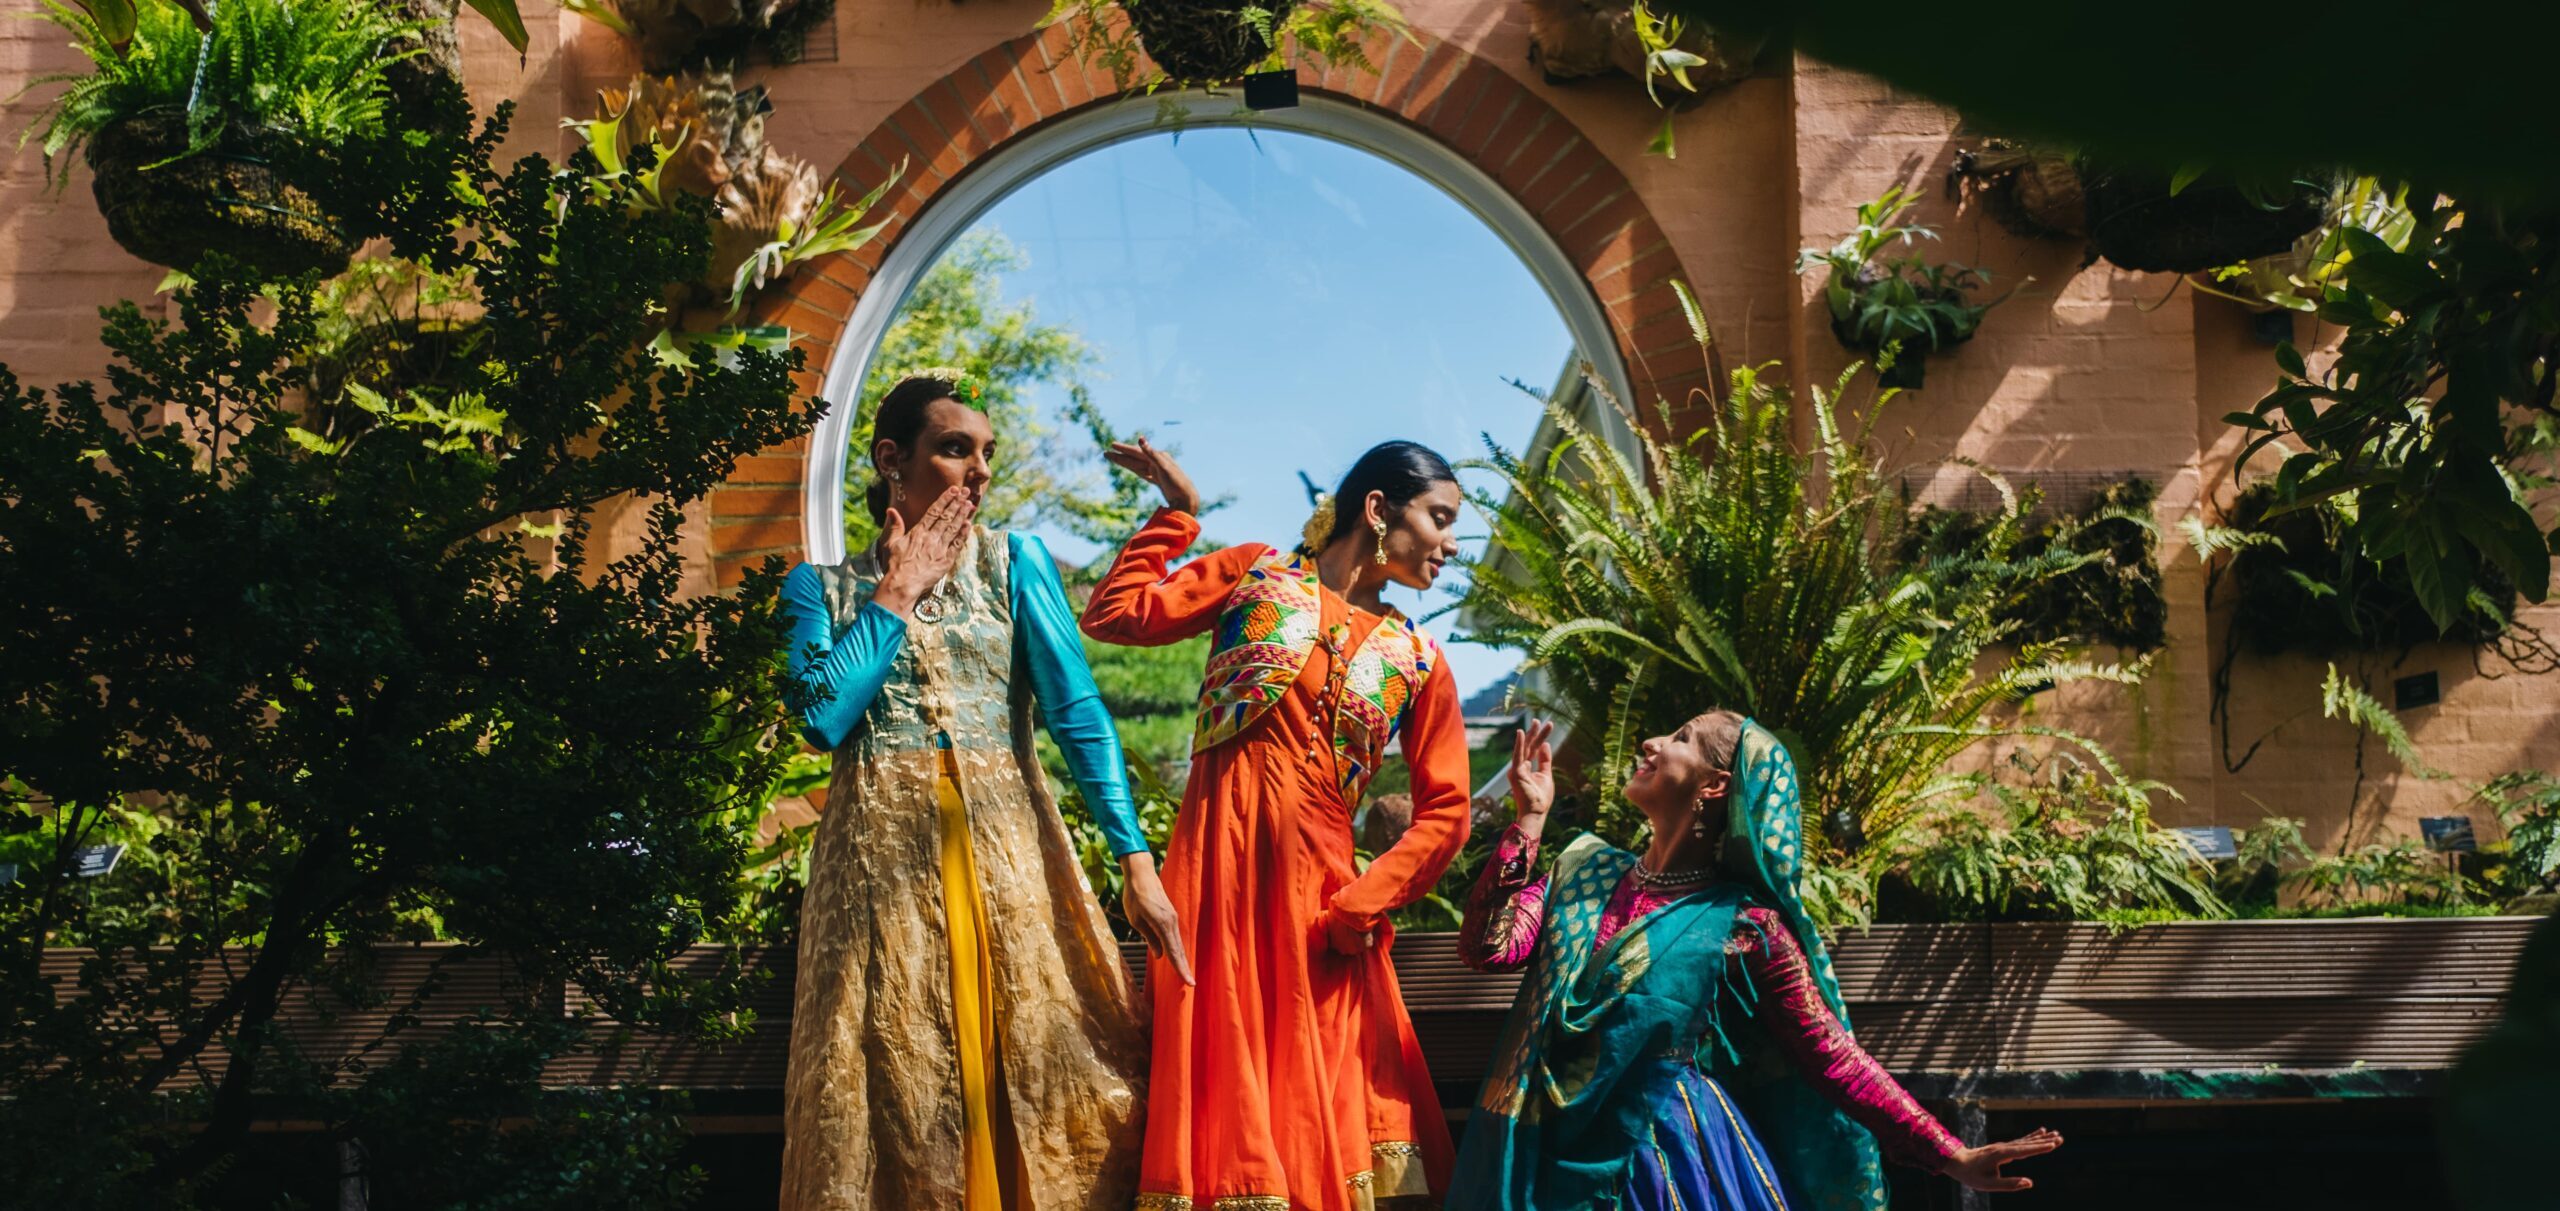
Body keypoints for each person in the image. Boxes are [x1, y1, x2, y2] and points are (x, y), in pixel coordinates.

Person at [776, 372, 1187, 1211]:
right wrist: (897, 592)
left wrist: (1137, 860)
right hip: (876, 878)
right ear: (893, 459)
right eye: (955, 448)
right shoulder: (814, 589)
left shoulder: (1015, 561)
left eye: (987, 452)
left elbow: (1076, 712)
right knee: (894, 1082)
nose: (979, 470)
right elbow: (821, 717)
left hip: (1011, 861)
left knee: (1052, 1071)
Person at [1449, 713, 2062, 1211]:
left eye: (1681, 737)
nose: (1651, 739)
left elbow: (1832, 1054)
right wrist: (1529, 820)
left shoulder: (1743, 926)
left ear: (1715, 784)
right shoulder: (1584, 872)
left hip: (1666, 1160)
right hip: (1541, 1148)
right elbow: (1488, 947)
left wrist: (1950, 1154)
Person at [1082, 438, 1475, 1211]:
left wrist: (1364, 902)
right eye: (1440, 517)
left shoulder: (1420, 657)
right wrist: (1176, 516)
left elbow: (1449, 811)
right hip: (1215, 891)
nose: (1452, 544)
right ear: (1377, 508)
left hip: (1324, 917)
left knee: (1318, 1111)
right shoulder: (1256, 574)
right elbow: (1115, 614)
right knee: (1229, 1100)